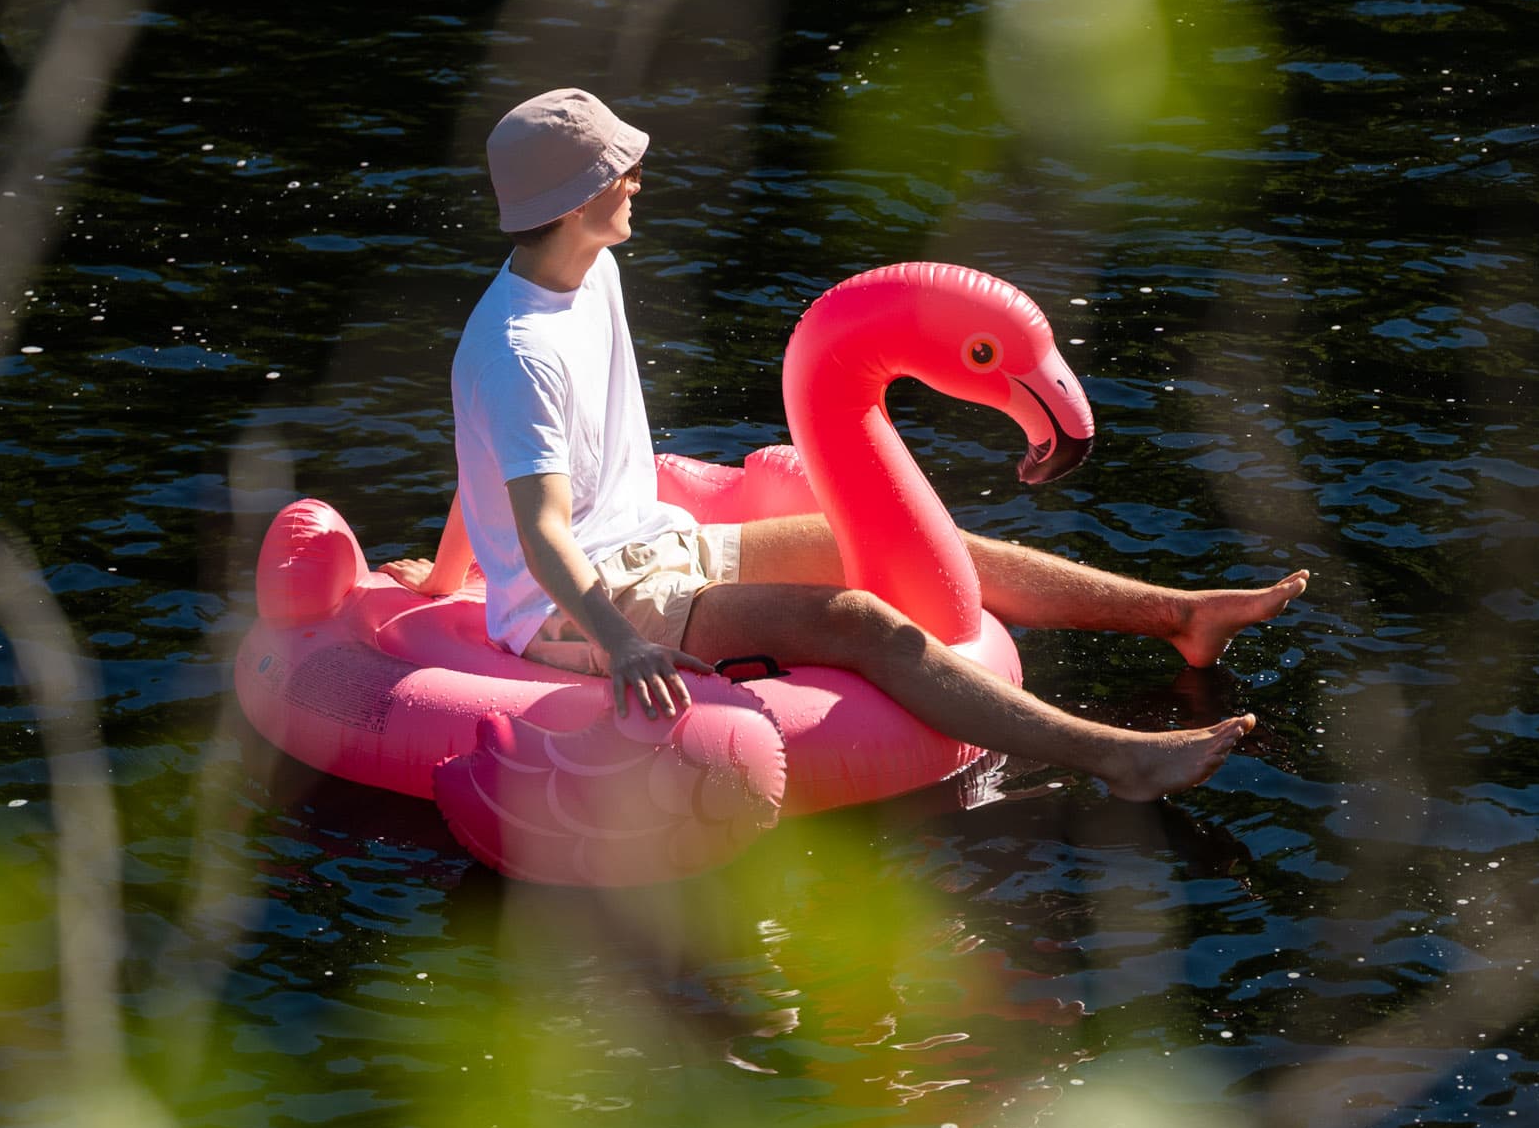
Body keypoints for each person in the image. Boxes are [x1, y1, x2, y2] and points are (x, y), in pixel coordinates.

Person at [379, 87, 1302, 801]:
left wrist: (446, 575)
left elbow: (485, 465)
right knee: (859, 620)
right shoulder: (520, 350)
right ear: (581, 197)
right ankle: (1119, 759)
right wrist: (620, 643)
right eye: (622, 171)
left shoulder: (593, 273)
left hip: (658, 544)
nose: (637, 182)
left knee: (911, 546)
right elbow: (540, 528)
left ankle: (1180, 615)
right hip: (591, 601)